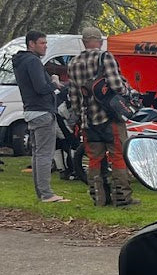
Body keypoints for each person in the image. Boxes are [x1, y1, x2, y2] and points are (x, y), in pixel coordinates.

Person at [67, 26, 136, 207]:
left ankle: (99, 198)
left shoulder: (73, 62)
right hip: (109, 117)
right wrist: (127, 91)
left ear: (83, 41)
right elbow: (116, 85)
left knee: (95, 159)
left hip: (88, 121)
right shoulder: (105, 57)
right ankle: (122, 198)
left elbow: (73, 95)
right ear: (99, 41)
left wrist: (80, 114)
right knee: (118, 156)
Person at [12, 30, 67, 203]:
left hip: (31, 110)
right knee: (44, 154)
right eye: (42, 43)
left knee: (37, 154)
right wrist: (54, 82)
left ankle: (41, 192)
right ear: (31, 44)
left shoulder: (20, 62)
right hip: (42, 111)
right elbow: (41, 88)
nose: (45, 46)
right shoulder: (33, 61)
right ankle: (46, 194)